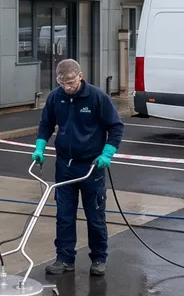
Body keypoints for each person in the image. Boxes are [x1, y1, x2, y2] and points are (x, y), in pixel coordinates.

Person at [32, 58, 123, 276]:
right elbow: (46, 124)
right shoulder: (56, 97)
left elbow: (116, 127)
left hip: (92, 166)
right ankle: (64, 259)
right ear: (58, 80)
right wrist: (40, 147)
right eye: (63, 83)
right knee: (64, 215)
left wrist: (107, 154)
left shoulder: (97, 97)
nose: (68, 87)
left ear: (80, 76)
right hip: (65, 165)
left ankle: (99, 258)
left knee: (95, 215)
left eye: (71, 82)